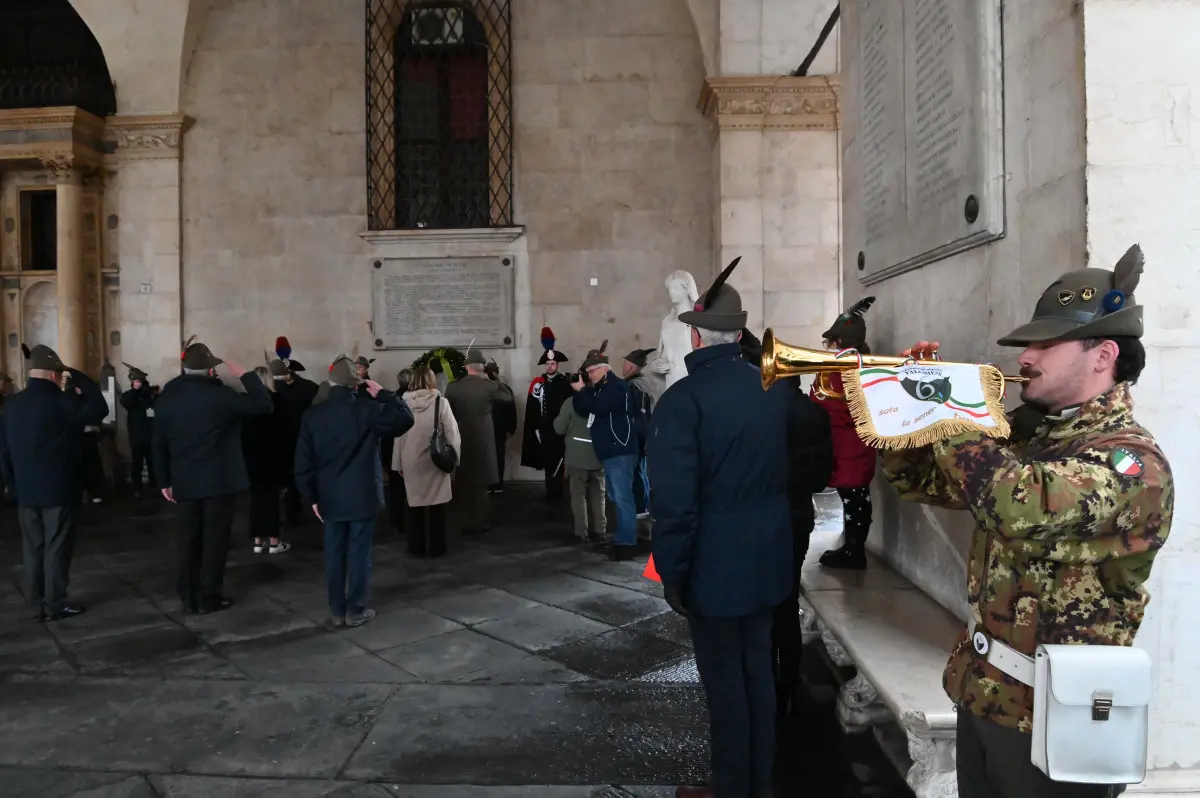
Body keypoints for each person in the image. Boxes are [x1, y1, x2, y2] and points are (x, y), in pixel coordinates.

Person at [879, 244, 1172, 798]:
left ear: (1103, 355)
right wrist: (905, 413)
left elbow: (1016, 506)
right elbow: (922, 483)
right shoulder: (1032, 433)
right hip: (986, 695)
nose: (1025, 358)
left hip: (1057, 716)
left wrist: (950, 409)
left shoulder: (1130, 463)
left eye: (1043, 343)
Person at [650, 257, 818, 798]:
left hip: (713, 567)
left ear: (696, 337)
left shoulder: (682, 402)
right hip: (769, 557)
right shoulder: (776, 389)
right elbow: (811, 453)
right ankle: (756, 784)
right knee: (757, 678)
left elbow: (674, 506)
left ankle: (730, 788)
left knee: (725, 685)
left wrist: (671, 573)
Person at [153, 338, 273, 614]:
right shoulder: (222, 397)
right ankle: (209, 595)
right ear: (210, 370)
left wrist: (164, 481)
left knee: (188, 540)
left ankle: (188, 595)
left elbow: (157, 442)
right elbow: (264, 405)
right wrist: (246, 374)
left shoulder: (167, 398)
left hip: (184, 480)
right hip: (220, 481)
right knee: (215, 541)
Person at [295, 355, 413, 627]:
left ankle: (337, 611)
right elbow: (405, 419)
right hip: (362, 494)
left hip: (329, 496)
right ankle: (356, 609)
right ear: (355, 384)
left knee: (334, 554)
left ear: (331, 382)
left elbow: (303, 463)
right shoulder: (367, 409)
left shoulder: (313, 415)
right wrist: (383, 393)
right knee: (359, 553)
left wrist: (312, 496)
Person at [0, 344, 107, 621]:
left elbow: (4, 450)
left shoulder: (12, 405)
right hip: (58, 490)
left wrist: (11, 485)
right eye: (59, 373)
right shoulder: (62, 402)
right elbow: (98, 409)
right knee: (56, 548)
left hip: (25, 491)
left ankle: (35, 604)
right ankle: (56, 603)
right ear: (53, 374)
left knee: (33, 549)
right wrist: (77, 374)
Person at [811, 297, 880, 570]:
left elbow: (831, 404)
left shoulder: (845, 366)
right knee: (854, 498)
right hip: (850, 445)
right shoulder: (852, 364)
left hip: (849, 445)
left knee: (855, 499)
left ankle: (854, 552)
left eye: (831, 341)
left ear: (839, 342)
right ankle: (852, 548)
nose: (827, 347)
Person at [571, 339, 639, 561]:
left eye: (592, 371)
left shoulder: (615, 386)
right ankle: (622, 537)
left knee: (622, 497)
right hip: (611, 450)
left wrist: (583, 390)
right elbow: (582, 408)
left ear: (603, 369)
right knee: (616, 495)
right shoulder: (601, 387)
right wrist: (581, 390)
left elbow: (598, 407)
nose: (590, 375)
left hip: (620, 448)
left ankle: (627, 542)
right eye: (588, 371)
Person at [444, 348, 514, 534]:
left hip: (460, 438)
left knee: (463, 482)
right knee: (481, 484)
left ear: (466, 367)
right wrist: (495, 378)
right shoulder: (489, 386)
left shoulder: (453, 387)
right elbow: (507, 397)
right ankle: (480, 522)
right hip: (483, 440)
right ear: (482, 368)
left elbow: (446, 411)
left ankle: (465, 521)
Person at [394, 366, 460, 558]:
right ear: (432, 381)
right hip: (436, 458)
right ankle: (437, 547)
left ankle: (416, 546)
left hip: (410, 459)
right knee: (437, 505)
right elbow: (452, 433)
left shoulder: (402, 403)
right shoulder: (441, 402)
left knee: (414, 504)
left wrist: (397, 463)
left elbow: (397, 435)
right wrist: (455, 457)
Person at [520, 328, 572, 509]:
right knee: (548, 461)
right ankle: (550, 491)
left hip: (560, 429)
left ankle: (557, 492)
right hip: (543, 430)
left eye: (552, 363)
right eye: (547, 364)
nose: (550, 366)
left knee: (559, 462)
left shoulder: (565, 383)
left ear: (557, 365)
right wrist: (535, 428)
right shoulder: (538, 383)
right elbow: (532, 408)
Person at [242, 366, 290, 555]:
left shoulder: (247, 404)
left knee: (255, 500)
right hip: (273, 457)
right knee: (272, 501)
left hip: (252, 458)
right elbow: (283, 434)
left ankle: (257, 540)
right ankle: (274, 541)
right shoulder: (277, 402)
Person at [271, 336, 318, 527]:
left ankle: (284, 513)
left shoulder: (272, 391)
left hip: (278, 440)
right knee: (296, 476)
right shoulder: (309, 388)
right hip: (301, 437)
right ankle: (294, 511)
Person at [553, 391, 606, 544]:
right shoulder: (602, 399)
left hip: (576, 455)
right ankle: (600, 530)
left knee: (578, 495)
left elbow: (559, 428)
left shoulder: (570, 402)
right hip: (598, 453)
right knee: (599, 494)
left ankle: (581, 532)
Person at [622, 347, 657, 518]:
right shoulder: (644, 384)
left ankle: (640, 510)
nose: (623, 366)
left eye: (625, 363)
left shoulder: (633, 386)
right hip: (644, 436)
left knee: (637, 473)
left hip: (636, 438)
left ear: (631, 367)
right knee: (640, 472)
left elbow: (635, 416)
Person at [119, 362, 157, 499]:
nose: (138, 383)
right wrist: (135, 390)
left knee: (153, 462)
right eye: (135, 381)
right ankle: (137, 487)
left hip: (151, 435)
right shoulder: (129, 396)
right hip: (137, 436)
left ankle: (155, 486)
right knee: (137, 463)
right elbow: (126, 402)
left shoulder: (149, 395)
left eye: (139, 381)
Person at [485, 358, 517, 495]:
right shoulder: (503, 389)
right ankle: (495, 484)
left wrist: (511, 428)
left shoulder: (501, 389)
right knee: (495, 456)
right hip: (494, 428)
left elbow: (511, 410)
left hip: (496, 428)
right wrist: (511, 428)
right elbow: (512, 411)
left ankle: (494, 485)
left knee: (495, 456)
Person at [387, 368, 414, 534]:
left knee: (396, 489)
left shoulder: (392, 400)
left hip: (393, 451)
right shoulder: (416, 399)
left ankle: (397, 521)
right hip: (413, 450)